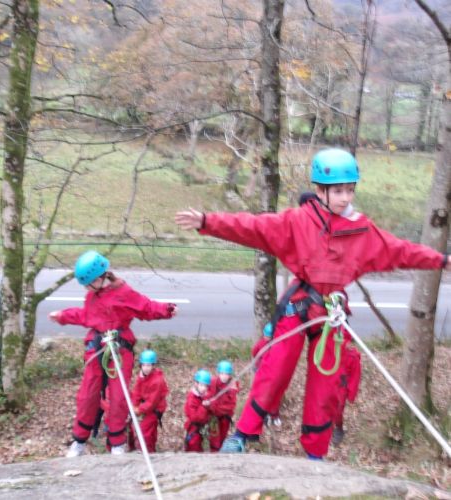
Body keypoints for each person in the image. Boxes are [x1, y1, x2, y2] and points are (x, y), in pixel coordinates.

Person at [175, 148, 451, 460]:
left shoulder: (362, 231)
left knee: (326, 386)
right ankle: (243, 434)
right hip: (300, 305)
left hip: (331, 312)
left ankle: (315, 453)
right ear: (320, 191)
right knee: (275, 368)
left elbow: (401, 251)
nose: (345, 198)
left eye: (350, 190)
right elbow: (252, 227)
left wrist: (440, 260)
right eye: (338, 191)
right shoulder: (298, 222)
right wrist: (207, 222)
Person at [48, 250, 177, 457]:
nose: (87, 289)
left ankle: (117, 443)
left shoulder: (123, 293)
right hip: (97, 348)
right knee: (87, 395)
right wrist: (63, 316)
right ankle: (79, 440)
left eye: (88, 284)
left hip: (119, 349)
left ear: (99, 278)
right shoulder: (92, 296)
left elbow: (145, 307)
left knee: (118, 397)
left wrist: (166, 309)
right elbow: (86, 316)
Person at [128, 349, 169, 453]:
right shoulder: (142, 376)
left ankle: (147, 451)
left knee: (144, 431)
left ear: (153, 366)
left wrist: (139, 410)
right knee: (150, 430)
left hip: (155, 409)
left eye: (149, 365)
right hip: (146, 406)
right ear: (141, 365)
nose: (146, 368)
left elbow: (152, 402)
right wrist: (134, 405)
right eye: (144, 365)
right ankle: (150, 449)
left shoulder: (157, 381)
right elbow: (137, 392)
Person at [203, 360, 239, 452]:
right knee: (214, 439)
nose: (224, 376)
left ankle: (219, 454)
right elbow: (207, 395)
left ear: (230, 375)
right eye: (222, 373)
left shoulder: (232, 387)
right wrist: (208, 404)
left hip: (225, 417)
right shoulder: (212, 382)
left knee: (222, 438)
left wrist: (213, 406)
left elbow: (231, 406)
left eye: (227, 374)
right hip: (213, 417)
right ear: (218, 373)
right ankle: (214, 453)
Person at [184, 369, 213, 452]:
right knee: (193, 447)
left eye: (206, 386)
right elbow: (194, 418)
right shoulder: (192, 398)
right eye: (201, 385)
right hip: (194, 428)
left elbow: (210, 412)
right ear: (196, 384)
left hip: (202, 428)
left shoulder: (204, 395)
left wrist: (209, 406)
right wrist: (203, 407)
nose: (204, 388)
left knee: (200, 447)